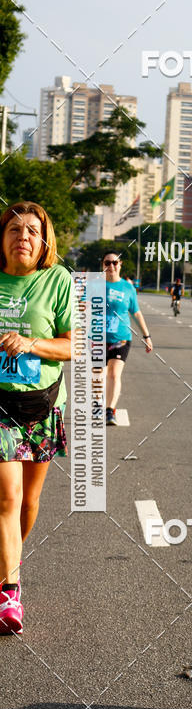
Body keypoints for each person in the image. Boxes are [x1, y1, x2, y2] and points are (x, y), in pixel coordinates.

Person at [0, 202, 72, 635]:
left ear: (44, 241)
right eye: (13, 229)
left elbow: (75, 344)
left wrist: (30, 344)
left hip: (42, 405)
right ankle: (9, 590)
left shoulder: (58, 280)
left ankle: (7, 561)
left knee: (28, 502)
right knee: (6, 497)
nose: (22, 237)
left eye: (32, 230)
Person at [103, 250, 152, 426]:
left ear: (120, 265)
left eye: (114, 262)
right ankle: (99, 404)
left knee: (114, 374)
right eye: (107, 263)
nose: (111, 266)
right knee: (98, 375)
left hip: (121, 338)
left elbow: (136, 312)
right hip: (96, 339)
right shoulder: (94, 285)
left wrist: (146, 336)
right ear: (102, 266)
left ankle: (110, 411)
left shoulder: (127, 288)